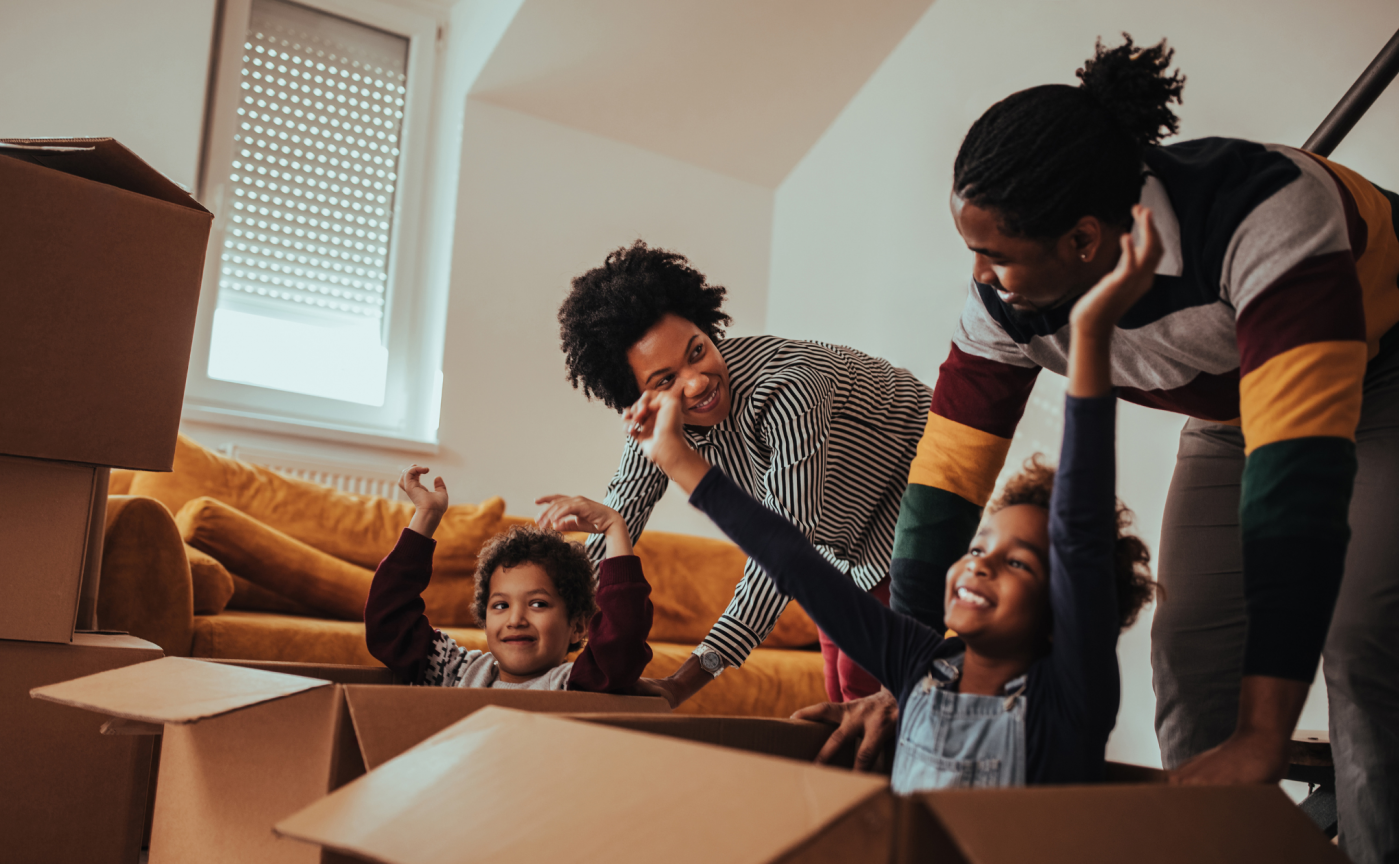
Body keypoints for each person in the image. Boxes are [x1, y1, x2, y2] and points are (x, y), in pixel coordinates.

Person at [825, 34, 1398, 858]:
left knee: (1361, 635)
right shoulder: (1002, 307)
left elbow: (1295, 491)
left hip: (1382, 369)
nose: (980, 276)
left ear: (1086, 242)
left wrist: (1266, 733)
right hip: (1236, 399)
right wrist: (912, 686)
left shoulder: (1267, 212)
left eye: (997, 254)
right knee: (1187, 644)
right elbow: (943, 486)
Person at [621, 207, 1159, 788]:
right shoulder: (918, 664)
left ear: (1065, 608)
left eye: (1018, 563)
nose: (976, 562)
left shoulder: (1072, 695)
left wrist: (1092, 334)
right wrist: (675, 459)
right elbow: (789, 556)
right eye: (979, 548)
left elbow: (1079, 531)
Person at [558, 241, 931, 705]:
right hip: (836, 539)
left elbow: (779, 557)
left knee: (866, 688)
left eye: (698, 351)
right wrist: (552, 609)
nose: (696, 382)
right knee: (840, 692)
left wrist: (683, 681)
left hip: (916, 495)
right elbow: (622, 510)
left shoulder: (790, 388)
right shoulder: (655, 423)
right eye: (665, 380)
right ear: (639, 396)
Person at [364, 465, 653, 691]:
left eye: (538, 604)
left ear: (578, 626)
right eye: (500, 606)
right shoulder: (456, 671)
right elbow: (388, 624)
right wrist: (426, 516)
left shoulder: (575, 684)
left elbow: (621, 643)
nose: (516, 619)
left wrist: (615, 528)